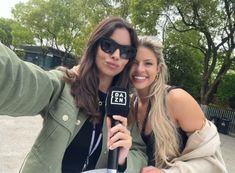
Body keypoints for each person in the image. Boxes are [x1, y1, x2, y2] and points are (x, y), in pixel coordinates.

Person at [0, 16, 147, 173]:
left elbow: (139, 152)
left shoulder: (124, 106)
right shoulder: (65, 85)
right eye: (108, 45)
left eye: (126, 52)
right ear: (95, 46)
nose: (116, 55)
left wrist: (123, 159)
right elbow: (22, 80)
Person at [129, 37, 227, 173]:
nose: (140, 69)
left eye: (148, 63)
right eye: (134, 62)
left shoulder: (175, 99)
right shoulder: (128, 104)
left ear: (158, 68)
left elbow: (212, 160)